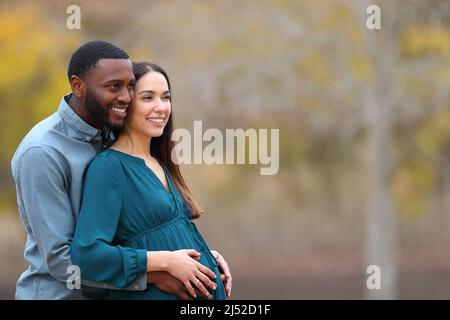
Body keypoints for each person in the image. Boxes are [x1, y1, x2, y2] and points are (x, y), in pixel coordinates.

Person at [11, 40, 231, 299]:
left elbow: (135, 230)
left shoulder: (108, 133)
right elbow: (63, 261)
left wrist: (199, 256)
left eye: (129, 87)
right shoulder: (42, 152)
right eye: (115, 87)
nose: (125, 97)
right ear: (78, 86)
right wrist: (156, 272)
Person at [71, 61, 228, 300]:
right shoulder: (109, 167)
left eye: (166, 98)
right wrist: (165, 261)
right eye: (148, 98)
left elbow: (168, 235)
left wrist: (208, 257)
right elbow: (88, 255)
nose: (161, 107)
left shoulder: (160, 161)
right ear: (126, 105)